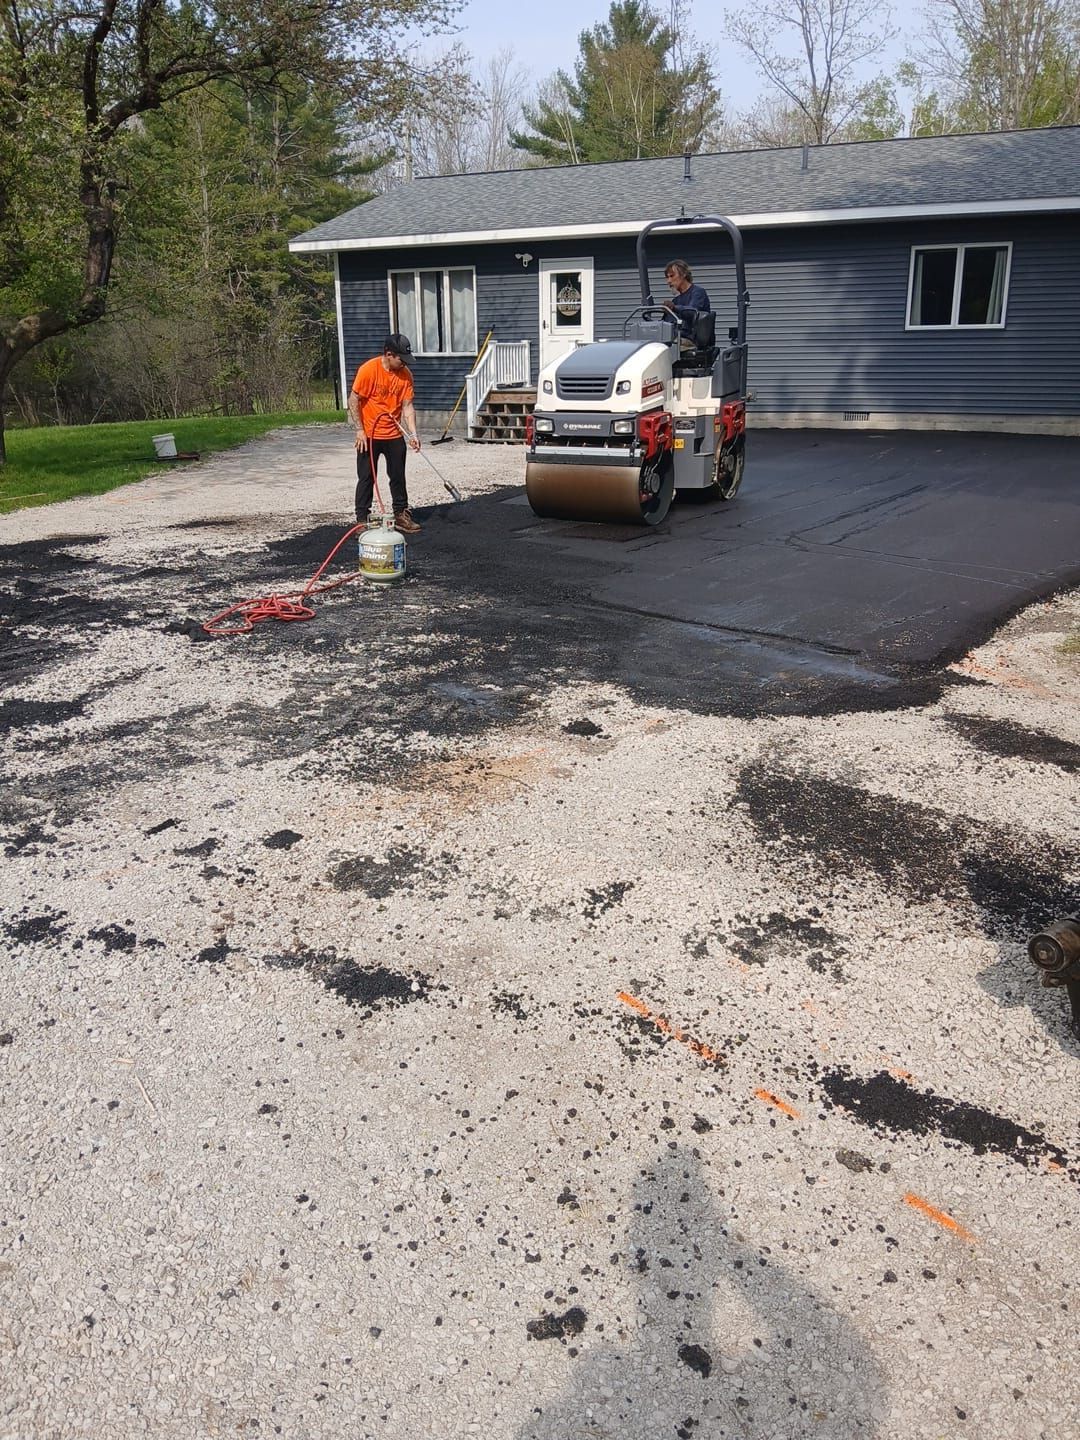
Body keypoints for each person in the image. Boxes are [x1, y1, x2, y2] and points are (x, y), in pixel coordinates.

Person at [348, 333, 422, 534]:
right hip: (370, 435)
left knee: (398, 476)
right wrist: (359, 430)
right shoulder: (368, 370)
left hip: (393, 434)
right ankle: (362, 519)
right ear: (389, 354)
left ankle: (400, 514)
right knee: (366, 477)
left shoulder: (405, 375)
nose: (403, 364)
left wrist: (413, 434)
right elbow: (353, 400)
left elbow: (407, 407)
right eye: (401, 359)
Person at [663, 259, 711, 349]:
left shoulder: (698, 293)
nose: (668, 281)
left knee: (667, 348)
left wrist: (674, 308)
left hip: (692, 340)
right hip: (678, 338)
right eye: (667, 277)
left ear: (684, 274)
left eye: (672, 276)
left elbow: (692, 313)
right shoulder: (676, 300)